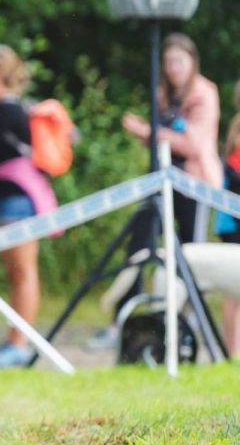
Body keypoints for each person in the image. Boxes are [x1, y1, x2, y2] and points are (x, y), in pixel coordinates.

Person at [89, 33, 221, 350]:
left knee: (191, 255)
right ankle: (122, 318)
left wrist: (147, 131)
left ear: (192, 61)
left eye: (179, 61)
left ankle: (192, 326)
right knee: (139, 245)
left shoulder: (204, 94)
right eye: (168, 61)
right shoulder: (163, 94)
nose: (173, 68)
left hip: (192, 185)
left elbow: (192, 144)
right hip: (159, 182)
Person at [0, 45, 58, 367]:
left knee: (22, 273)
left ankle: (18, 343)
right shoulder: (6, 109)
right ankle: (15, 339)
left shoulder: (5, 110)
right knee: (17, 273)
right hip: (11, 200)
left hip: (18, 201)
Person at [212, 79, 240, 355]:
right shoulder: (237, 130)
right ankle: (233, 350)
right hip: (233, 223)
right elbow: (234, 176)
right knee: (235, 288)